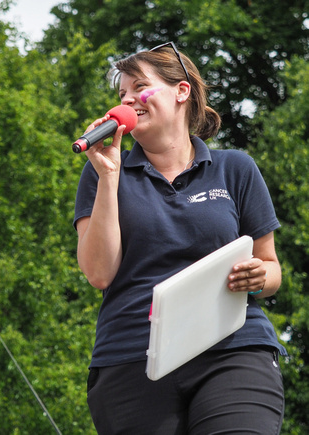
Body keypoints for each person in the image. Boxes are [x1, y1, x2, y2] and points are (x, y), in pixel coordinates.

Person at [74, 42, 285, 434]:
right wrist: (108, 177)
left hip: (233, 348)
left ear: (181, 92)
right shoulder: (103, 173)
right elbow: (99, 274)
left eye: (140, 87)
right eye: (122, 94)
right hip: (134, 357)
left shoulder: (235, 169)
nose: (129, 99)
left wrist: (259, 277)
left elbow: (271, 269)